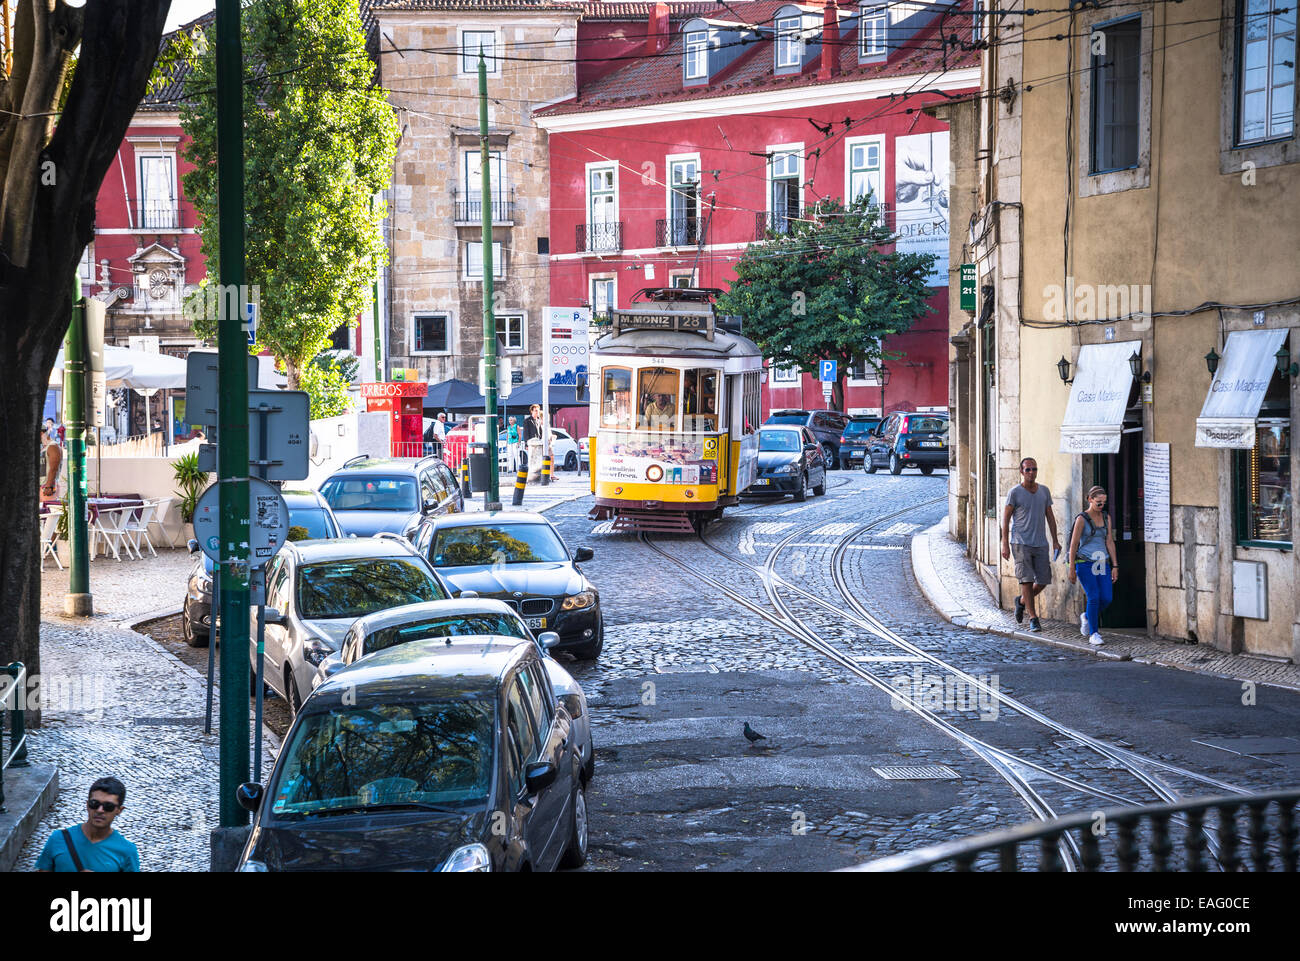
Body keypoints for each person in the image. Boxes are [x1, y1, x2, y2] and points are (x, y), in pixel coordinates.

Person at [1000, 456, 1060, 632]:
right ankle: (1033, 617)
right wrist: (1005, 542)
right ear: (1021, 472)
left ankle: (1021, 601)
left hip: (1040, 542)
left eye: (1034, 469)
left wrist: (1055, 540)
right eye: (1028, 469)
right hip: (1020, 543)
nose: (1031, 472)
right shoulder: (1015, 492)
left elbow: (1050, 516)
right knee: (1026, 580)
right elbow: (1006, 517)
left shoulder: (1044, 491)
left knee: (1043, 580)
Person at [36, 776, 140, 872]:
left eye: (108, 806)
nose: (100, 810)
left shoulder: (127, 851)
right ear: (87, 805)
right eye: (94, 804)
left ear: (119, 810)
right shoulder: (58, 838)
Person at [1067, 485, 1119, 646]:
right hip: (1084, 562)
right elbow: (1074, 544)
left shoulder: (1106, 517)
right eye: (1098, 502)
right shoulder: (1081, 519)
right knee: (1094, 596)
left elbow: (1109, 541)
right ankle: (1094, 633)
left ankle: (1087, 617)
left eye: (1104, 502)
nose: (1101, 505)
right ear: (1090, 500)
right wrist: (1071, 568)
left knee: (1106, 598)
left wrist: (1115, 565)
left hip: (1102, 562)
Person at [40, 429, 64, 503]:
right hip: (42, 486)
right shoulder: (44, 447)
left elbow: (54, 468)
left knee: (46, 510)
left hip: (47, 487)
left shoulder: (53, 446)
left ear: (41, 433)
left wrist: (49, 486)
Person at [523, 404, 545, 481]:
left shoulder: (539, 420)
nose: (537, 412)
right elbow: (525, 433)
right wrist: (526, 443)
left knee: (539, 459)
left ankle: (538, 475)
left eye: (538, 411)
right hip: (531, 442)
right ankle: (531, 475)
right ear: (532, 411)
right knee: (531, 459)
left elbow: (541, 431)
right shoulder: (527, 420)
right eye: (535, 411)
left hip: (538, 442)